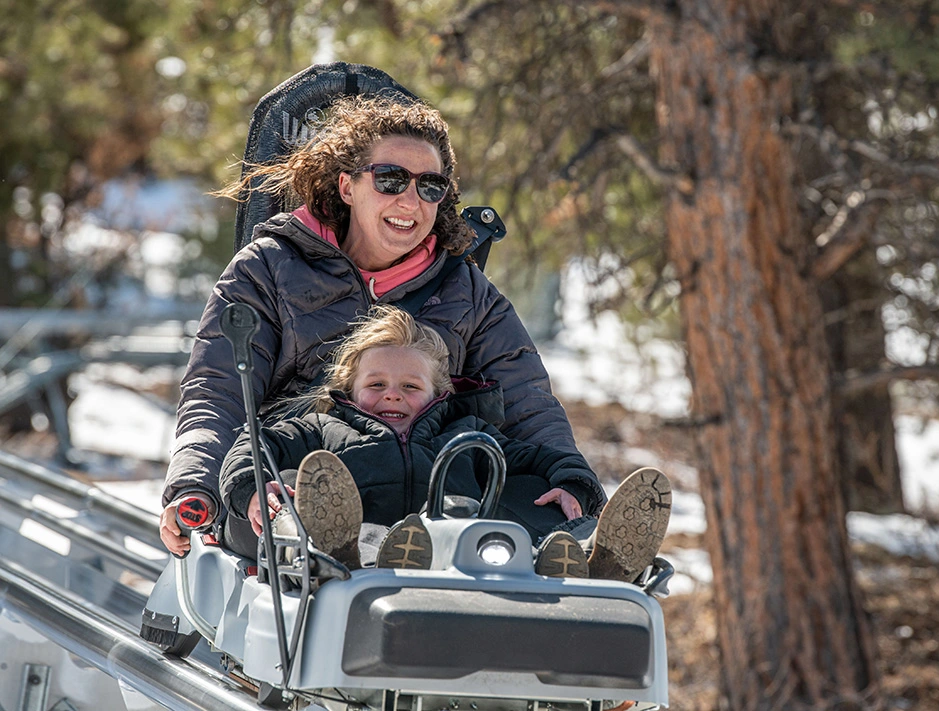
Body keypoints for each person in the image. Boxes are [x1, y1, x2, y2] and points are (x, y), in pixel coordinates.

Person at [159, 93, 606, 557]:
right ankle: (342, 543)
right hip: (300, 481)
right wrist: (196, 482)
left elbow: (528, 405)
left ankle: (579, 551)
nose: (410, 200)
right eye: (391, 179)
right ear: (347, 187)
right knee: (287, 497)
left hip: (438, 496)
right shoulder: (270, 268)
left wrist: (573, 480)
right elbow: (218, 391)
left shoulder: (466, 291)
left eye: (430, 186)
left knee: (529, 499)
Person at [218, 305, 673, 582]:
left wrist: (572, 484)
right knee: (308, 480)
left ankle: (598, 568)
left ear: (438, 396)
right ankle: (342, 553)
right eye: (376, 383)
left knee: (520, 504)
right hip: (354, 557)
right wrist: (252, 488)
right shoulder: (324, 429)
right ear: (348, 389)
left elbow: (536, 455)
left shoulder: (466, 436)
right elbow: (255, 443)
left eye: (409, 387)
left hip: (464, 557)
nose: (392, 394)